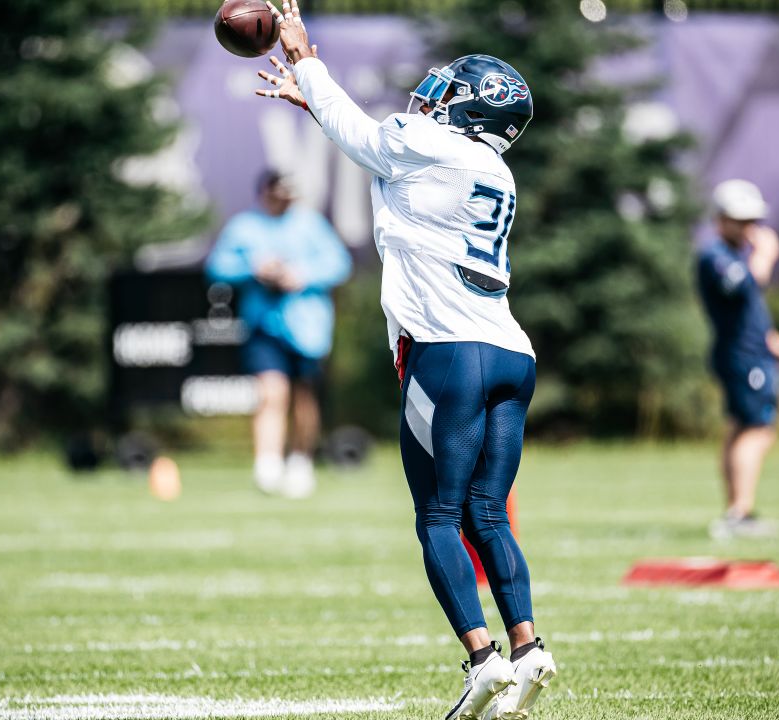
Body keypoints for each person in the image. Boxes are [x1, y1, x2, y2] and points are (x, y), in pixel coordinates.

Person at [254, 3, 556, 718]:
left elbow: (365, 136)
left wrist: (304, 58)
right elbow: (373, 153)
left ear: (469, 110)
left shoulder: (429, 143)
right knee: (489, 512)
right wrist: (319, 103)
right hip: (511, 351)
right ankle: (529, 647)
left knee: (438, 517)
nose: (432, 96)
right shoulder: (495, 171)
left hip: (448, 354)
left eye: (449, 92)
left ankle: (483, 661)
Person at [206, 169, 351, 499]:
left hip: (308, 328)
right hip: (263, 323)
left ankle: (300, 462)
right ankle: (267, 466)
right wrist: (253, 269)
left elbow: (339, 263)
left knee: (303, 397)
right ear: (265, 193)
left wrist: (302, 275)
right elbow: (217, 266)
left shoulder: (311, 224)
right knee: (270, 393)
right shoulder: (244, 226)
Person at [695, 179, 779, 540]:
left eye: (752, 220)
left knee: (741, 428)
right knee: (757, 430)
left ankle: (735, 512)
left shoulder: (735, 254)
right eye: (740, 220)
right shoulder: (716, 256)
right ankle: (739, 514)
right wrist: (767, 256)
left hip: (752, 352)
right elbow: (741, 288)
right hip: (741, 357)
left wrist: (773, 341)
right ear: (721, 219)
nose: (749, 227)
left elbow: (747, 311)